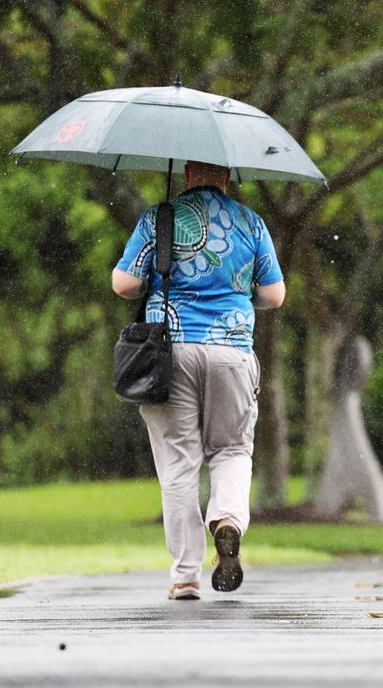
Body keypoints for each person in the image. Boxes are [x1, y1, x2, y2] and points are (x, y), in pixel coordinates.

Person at [112, 160, 286, 601]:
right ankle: (227, 520)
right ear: (227, 177)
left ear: (188, 174)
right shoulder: (251, 222)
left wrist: (156, 278)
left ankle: (186, 575)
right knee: (231, 448)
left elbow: (123, 283)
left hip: (169, 352)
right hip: (232, 351)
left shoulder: (160, 217)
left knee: (178, 463)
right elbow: (274, 295)